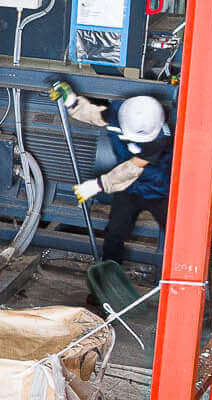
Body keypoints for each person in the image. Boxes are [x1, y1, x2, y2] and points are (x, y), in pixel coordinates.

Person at [50, 81, 172, 264]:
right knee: (114, 234)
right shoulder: (120, 113)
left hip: (161, 191)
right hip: (129, 190)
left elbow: (133, 168)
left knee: (176, 234)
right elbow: (93, 114)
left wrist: (99, 184)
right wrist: (72, 102)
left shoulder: (160, 136)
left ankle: (180, 279)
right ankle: (108, 277)